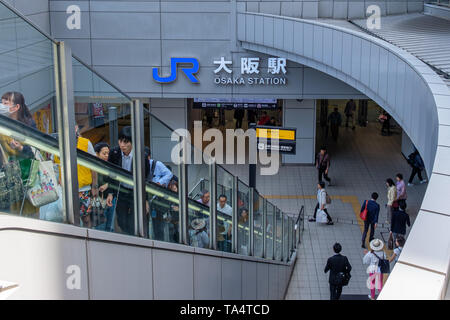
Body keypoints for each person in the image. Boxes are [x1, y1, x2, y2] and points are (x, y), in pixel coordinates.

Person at [106, 126, 149, 235]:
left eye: (126, 142)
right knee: (121, 220)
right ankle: (129, 235)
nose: (122, 145)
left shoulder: (141, 156)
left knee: (133, 220)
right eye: (120, 141)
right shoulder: (114, 153)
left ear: (132, 143)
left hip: (135, 192)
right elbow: (111, 173)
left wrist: (145, 200)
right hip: (122, 190)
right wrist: (110, 193)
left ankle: (132, 239)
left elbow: (146, 179)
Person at [0, 92, 38, 216]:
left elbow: (36, 149)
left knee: (28, 212)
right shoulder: (2, 123)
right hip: (7, 176)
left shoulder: (28, 125)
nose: (2, 105)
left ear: (16, 107)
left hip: (25, 174)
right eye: (2, 102)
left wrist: (21, 148)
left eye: (6, 103)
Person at [94, 142, 115, 232]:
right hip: (98, 199)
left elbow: (116, 180)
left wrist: (108, 185)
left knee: (110, 227)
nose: (107, 156)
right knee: (100, 227)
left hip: (110, 197)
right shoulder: (93, 166)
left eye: (108, 153)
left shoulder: (110, 165)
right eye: (104, 153)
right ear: (97, 154)